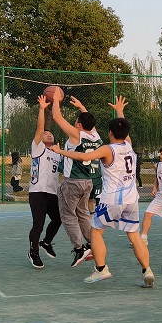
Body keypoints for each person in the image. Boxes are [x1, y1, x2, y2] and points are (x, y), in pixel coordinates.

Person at [51, 96, 154, 287]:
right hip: (131, 200)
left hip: (112, 199)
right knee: (134, 236)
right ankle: (147, 271)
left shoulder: (108, 149)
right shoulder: (128, 145)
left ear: (110, 133)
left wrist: (61, 152)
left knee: (96, 232)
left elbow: (84, 156)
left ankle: (101, 269)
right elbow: (123, 128)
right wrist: (120, 111)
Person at [52, 94, 102, 267]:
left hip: (73, 181)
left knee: (68, 215)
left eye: (77, 121)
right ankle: (92, 244)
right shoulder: (95, 136)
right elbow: (90, 122)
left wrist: (56, 99)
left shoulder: (77, 135)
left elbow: (57, 117)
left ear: (79, 125)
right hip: (88, 182)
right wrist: (82, 107)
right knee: (82, 213)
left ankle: (79, 248)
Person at [27, 95, 62, 268]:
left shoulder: (57, 154)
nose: (48, 135)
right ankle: (33, 252)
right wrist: (42, 108)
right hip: (38, 192)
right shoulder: (38, 148)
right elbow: (40, 128)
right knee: (38, 224)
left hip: (52, 193)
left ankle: (46, 242)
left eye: (51, 134)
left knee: (58, 219)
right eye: (45, 134)